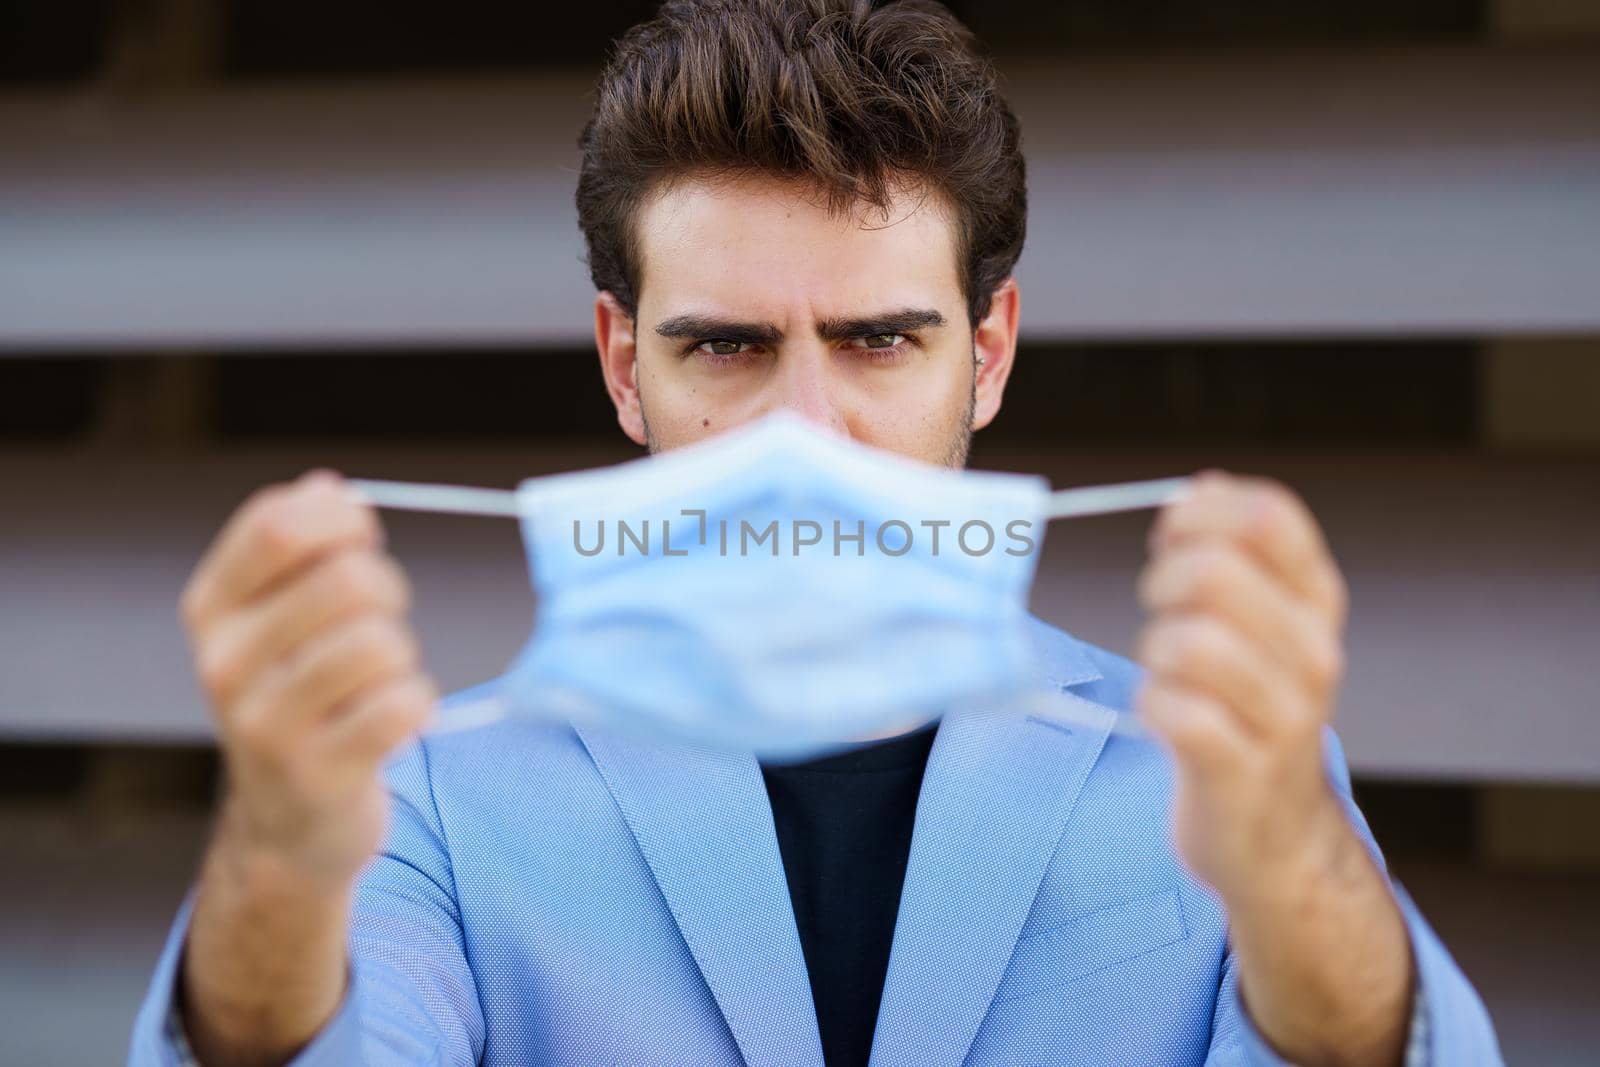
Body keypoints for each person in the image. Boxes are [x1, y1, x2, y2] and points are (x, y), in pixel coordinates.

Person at [129, 1, 1503, 1064]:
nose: (803, 433)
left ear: (989, 352)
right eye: (725, 345)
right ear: (623, 365)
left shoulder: (1222, 770)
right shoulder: (426, 796)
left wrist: (1287, 873)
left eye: (879, 342)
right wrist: (279, 860)